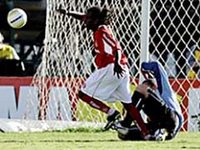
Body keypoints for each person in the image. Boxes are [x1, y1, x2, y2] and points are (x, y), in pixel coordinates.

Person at [57, 6, 150, 134]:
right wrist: (67, 13)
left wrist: (116, 62)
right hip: (122, 70)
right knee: (128, 105)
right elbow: (81, 17)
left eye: (88, 18)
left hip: (111, 67)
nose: (85, 20)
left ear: (95, 20)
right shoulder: (98, 26)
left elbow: (116, 47)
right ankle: (146, 133)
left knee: (83, 94)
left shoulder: (102, 31)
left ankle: (111, 113)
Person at [114, 61, 184, 141]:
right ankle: (158, 133)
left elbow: (156, 65)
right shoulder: (150, 103)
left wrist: (143, 66)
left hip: (171, 118)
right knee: (124, 134)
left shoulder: (164, 90)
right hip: (165, 128)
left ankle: (125, 123)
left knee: (142, 89)